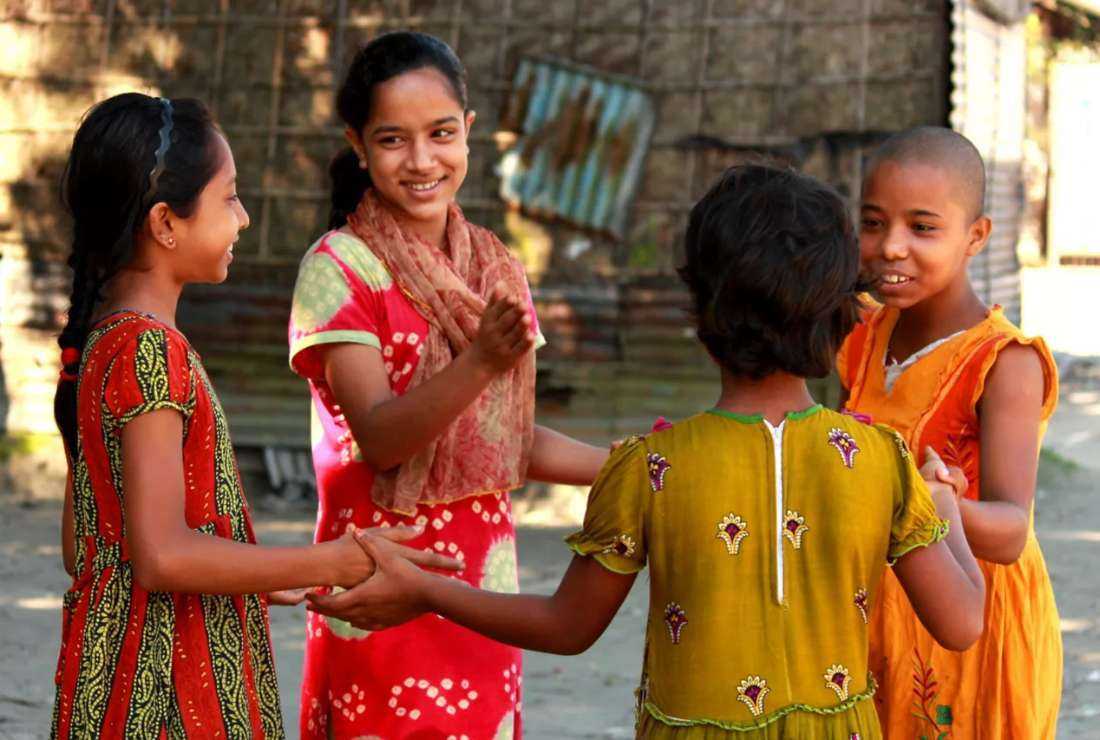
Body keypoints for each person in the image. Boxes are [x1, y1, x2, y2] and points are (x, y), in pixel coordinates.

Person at [310, 164, 988, 739]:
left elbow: (566, 626)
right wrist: (945, 503)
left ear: (700, 309)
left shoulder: (652, 467)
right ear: (844, 309)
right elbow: (962, 622)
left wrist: (426, 589)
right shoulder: (883, 461)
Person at [49, 92, 456, 739]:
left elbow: (89, 549)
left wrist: (253, 578)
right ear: (165, 223)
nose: (242, 218)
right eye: (230, 197)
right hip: (167, 700)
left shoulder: (104, 342)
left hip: (114, 684)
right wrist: (336, 560)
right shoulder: (149, 350)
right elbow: (162, 558)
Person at [286, 31, 609, 738]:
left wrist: (632, 467)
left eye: (440, 134)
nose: (423, 160)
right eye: (394, 140)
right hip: (380, 579)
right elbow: (379, 436)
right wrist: (481, 362)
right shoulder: (338, 268)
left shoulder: (494, 267)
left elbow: (507, 441)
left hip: (480, 592)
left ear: (469, 132)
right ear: (359, 145)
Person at [838, 126, 1062, 738]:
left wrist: (936, 503)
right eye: (875, 223)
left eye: (923, 227)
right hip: (876, 615)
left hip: (971, 627)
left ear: (976, 237)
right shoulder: (859, 337)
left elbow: (1012, 531)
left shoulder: (1003, 361)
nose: (891, 247)